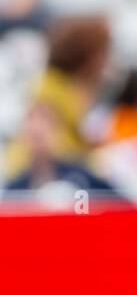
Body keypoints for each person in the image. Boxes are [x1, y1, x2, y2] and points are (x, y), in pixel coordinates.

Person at [6, 16, 111, 178]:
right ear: (86, 54)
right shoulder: (49, 87)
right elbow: (54, 148)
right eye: (103, 52)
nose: (106, 60)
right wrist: (96, 158)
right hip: (30, 178)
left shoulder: (79, 88)